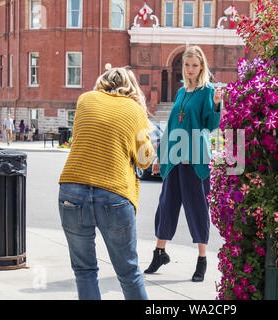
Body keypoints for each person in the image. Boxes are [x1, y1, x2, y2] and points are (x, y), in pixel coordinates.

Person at [58, 66, 155, 300]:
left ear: (102, 82)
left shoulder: (85, 100)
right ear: (131, 87)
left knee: (84, 270)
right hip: (114, 193)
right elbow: (144, 160)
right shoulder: (134, 109)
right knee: (129, 272)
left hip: (72, 189)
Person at [144, 46, 223, 282]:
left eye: (194, 66)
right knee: (166, 205)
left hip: (196, 159)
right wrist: (160, 156)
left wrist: (217, 104)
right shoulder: (181, 92)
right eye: (186, 65)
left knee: (197, 208)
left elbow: (210, 124)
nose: (189, 70)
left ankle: (202, 260)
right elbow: (171, 126)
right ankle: (159, 253)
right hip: (174, 158)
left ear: (202, 67)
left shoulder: (207, 91)